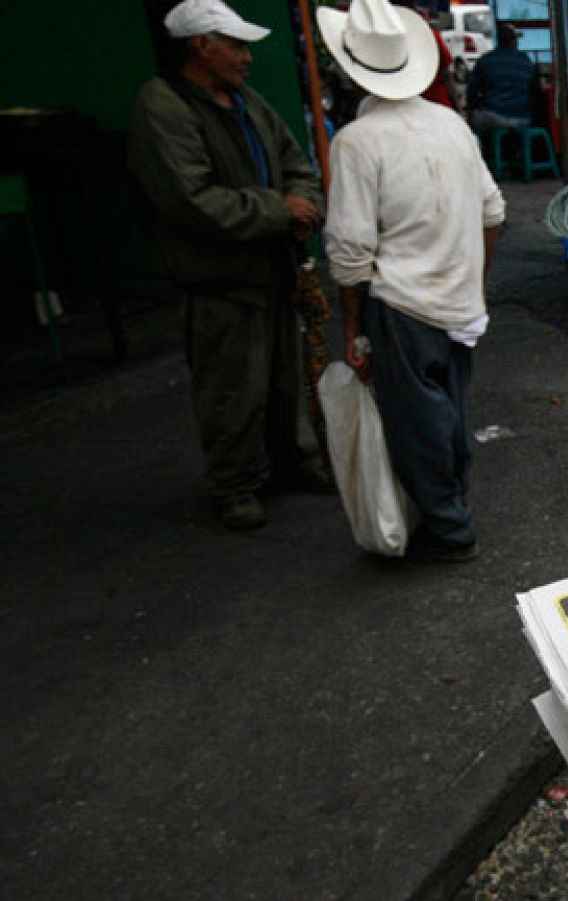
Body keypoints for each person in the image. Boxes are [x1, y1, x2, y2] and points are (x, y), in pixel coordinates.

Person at [128, 0, 329, 532]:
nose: (246, 57)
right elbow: (189, 200)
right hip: (219, 277)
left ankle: (283, 462)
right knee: (231, 387)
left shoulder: (248, 101)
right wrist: (278, 210)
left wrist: (303, 205)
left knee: (280, 382)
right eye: (235, 45)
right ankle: (234, 483)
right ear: (201, 46)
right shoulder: (163, 107)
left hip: (271, 267)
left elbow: (295, 164)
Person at [319, 0, 506, 562]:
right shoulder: (449, 123)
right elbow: (492, 214)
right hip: (457, 303)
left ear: (349, 71)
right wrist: (474, 281)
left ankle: (450, 528)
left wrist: (353, 332)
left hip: (402, 306)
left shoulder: (356, 140)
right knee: (446, 410)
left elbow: (351, 255)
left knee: (418, 423)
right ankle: (450, 510)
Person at [466, 23, 541, 134]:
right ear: (513, 41)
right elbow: (535, 91)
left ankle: (482, 150)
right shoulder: (525, 61)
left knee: (473, 120)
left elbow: (471, 91)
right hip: (521, 119)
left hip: (492, 116)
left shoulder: (486, 60)